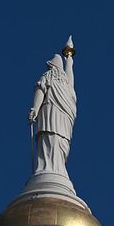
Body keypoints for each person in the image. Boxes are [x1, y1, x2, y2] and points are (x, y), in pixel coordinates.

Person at [28, 39, 76, 179]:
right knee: (53, 140)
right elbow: (41, 91)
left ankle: (54, 168)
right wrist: (36, 109)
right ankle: (50, 168)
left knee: (56, 140)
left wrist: (69, 58)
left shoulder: (58, 80)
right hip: (53, 114)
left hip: (58, 115)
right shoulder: (57, 79)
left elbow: (40, 91)